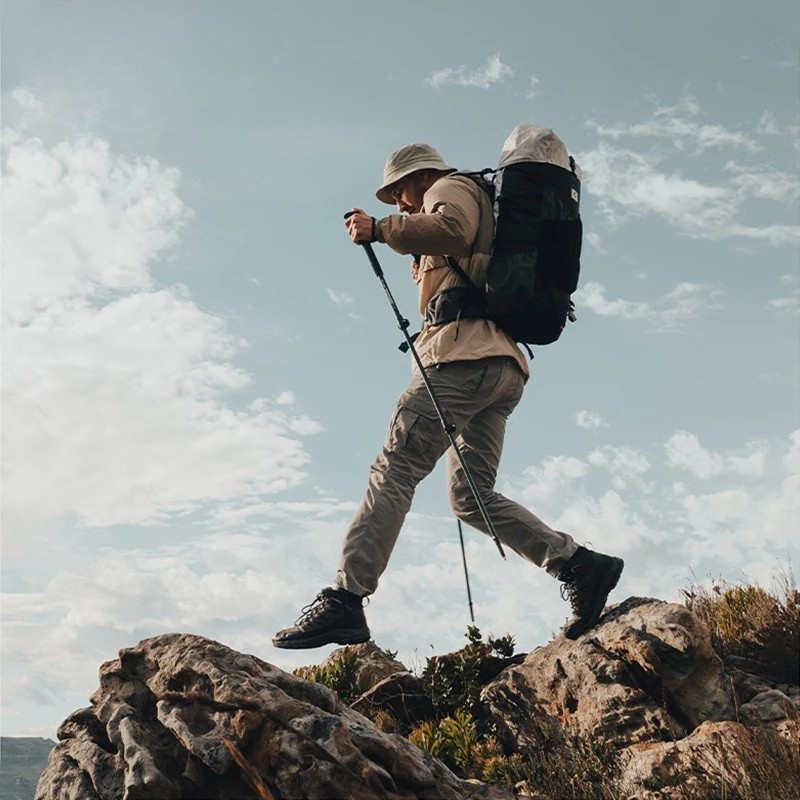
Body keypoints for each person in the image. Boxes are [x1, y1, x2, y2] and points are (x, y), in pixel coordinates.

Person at [272, 143, 623, 650]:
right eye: (392, 200)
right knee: (471, 497)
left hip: (461, 358)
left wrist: (381, 230)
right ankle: (580, 565)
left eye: (398, 191)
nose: (399, 204)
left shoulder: (448, 188)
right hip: (501, 367)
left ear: (419, 176)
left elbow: (451, 229)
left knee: (395, 467)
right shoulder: (478, 198)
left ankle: (346, 599)